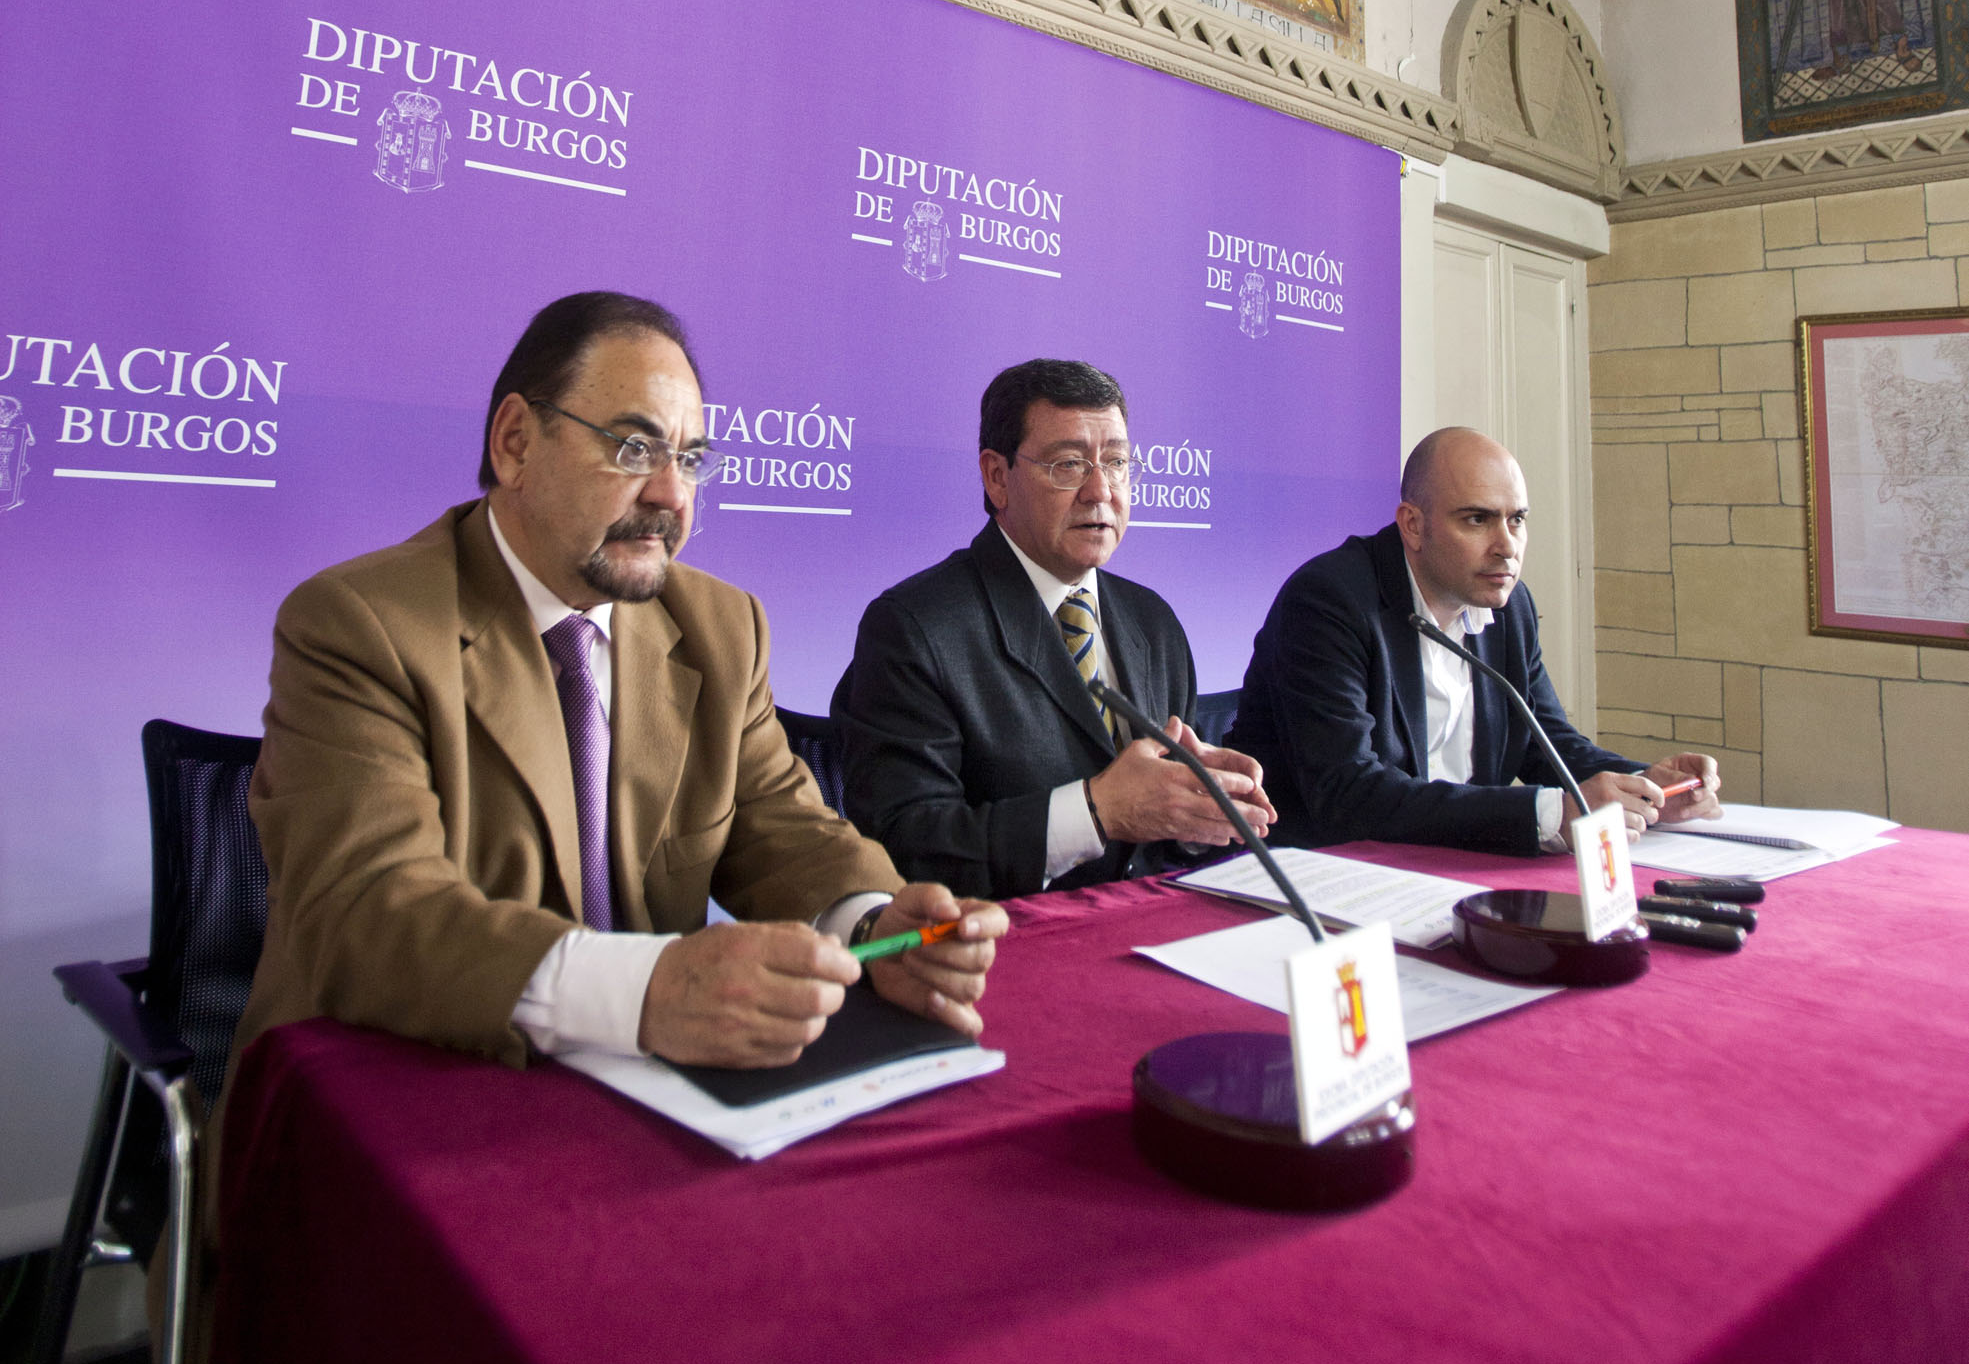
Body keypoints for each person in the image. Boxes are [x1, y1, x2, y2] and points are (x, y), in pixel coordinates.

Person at [232, 293, 1005, 1081]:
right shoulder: (360, 624)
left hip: (647, 1082)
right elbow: (368, 907)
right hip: (393, 1080)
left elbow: (780, 827)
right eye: (635, 449)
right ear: (514, 442)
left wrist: (872, 926)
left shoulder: (722, 625)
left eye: (690, 459)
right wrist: (647, 991)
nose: (672, 495)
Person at [837, 358, 1273, 898]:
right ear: (997, 477)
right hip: (1006, 935)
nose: (1100, 491)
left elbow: (1157, 847)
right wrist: (1096, 812)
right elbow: (907, 847)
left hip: (1149, 922)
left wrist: (1195, 813)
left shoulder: (1153, 621)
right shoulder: (916, 628)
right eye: (1069, 465)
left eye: (1116, 462)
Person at [1232, 426, 1721, 856]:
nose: (1506, 546)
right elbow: (1348, 794)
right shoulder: (1330, 601)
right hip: (1325, 872)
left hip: (1456, 862)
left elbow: (1546, 743)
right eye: (1477, 520)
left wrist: (1646, 786)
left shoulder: (1510, 607)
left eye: (1517, 520)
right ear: (1413, 525)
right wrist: (1552, 814)